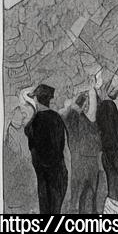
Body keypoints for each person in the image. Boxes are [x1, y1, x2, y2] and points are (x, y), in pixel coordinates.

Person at [23, 84, 68, 214]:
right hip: (59, 171)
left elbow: (30, 138)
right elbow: (62, 145)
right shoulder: (57, 118)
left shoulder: (35, 120)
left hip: (44, 175)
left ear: (36, 99)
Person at [61, 86, 102, 213]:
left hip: (81, 160)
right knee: (86, 194)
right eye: (86, 103)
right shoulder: (84, 119)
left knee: (81, 195)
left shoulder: (70, 117)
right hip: (86, 160)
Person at [95, 74, 118, 202]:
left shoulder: (105, 106)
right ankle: (117, 200)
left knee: (112, 176)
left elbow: (104, 129)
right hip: (113, 147)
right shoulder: (109, 105)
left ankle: (115, 201)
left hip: (108, 147)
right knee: (116, 176)